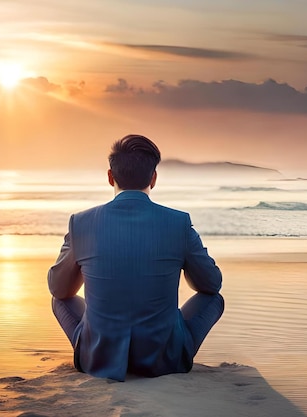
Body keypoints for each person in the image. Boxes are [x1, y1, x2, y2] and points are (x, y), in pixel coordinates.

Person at [48, 134, 224, 382]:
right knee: (214, 298)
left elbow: (59, 289)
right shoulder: (178, 222)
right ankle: (169, 347)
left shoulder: (81, 223)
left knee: (60, 299)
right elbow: (211, 284)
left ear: (110, 177)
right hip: (164, 360)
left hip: (97, 359)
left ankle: (99, 345)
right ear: (153, 178)